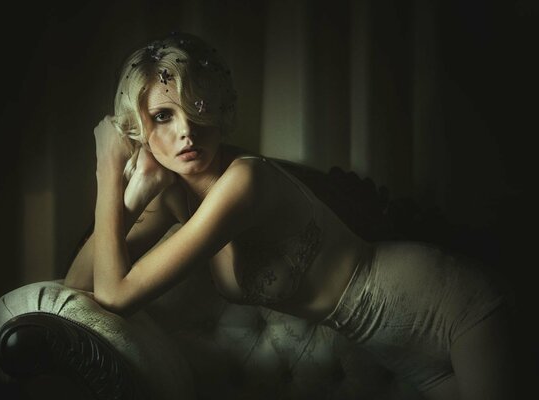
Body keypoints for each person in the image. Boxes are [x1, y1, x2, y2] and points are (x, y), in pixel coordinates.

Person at [64, 32, 514, 400]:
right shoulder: (173, 200)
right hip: (404, 356)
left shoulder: (245, 181)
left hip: (456, 313)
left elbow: (117, 295)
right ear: (139, 130)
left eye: (198, 106)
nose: (186, 131)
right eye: (163, 116)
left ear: (219, 110)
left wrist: (108, 173)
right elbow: (79, 285)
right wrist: (130, 200)